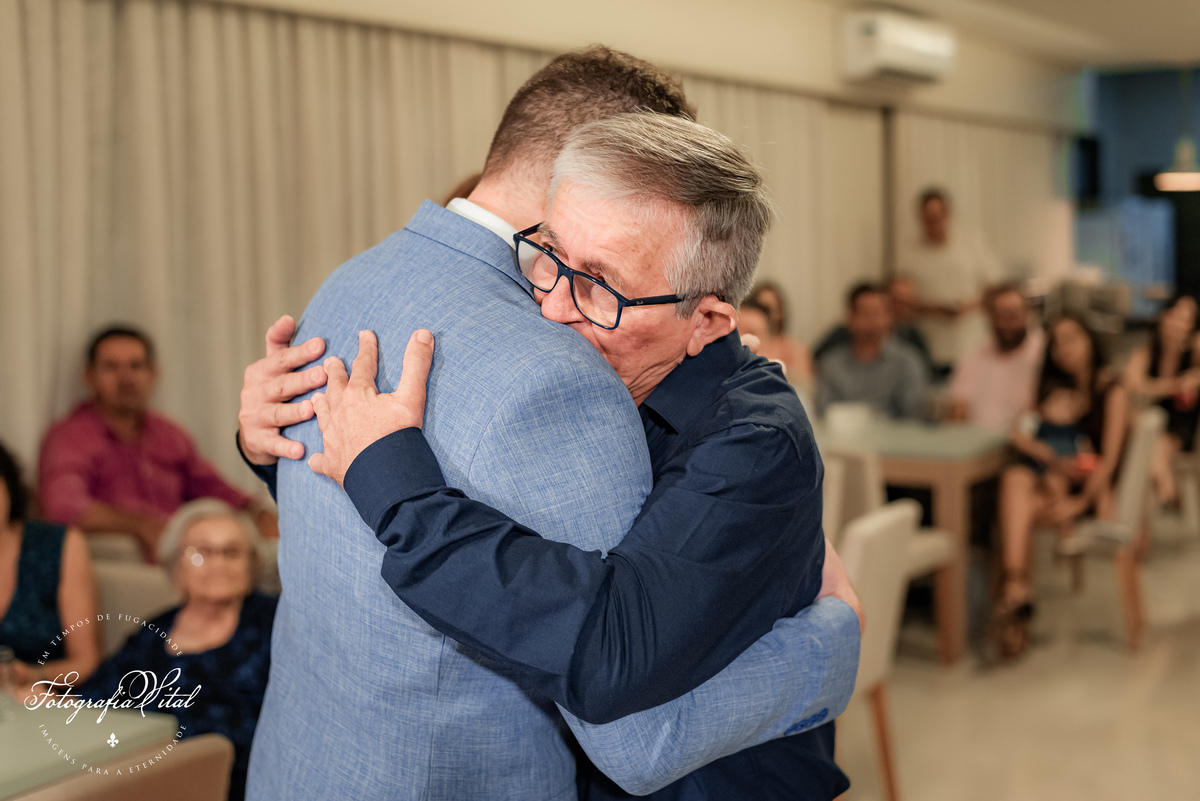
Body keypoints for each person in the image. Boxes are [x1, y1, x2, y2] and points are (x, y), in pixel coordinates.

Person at [235, 49, 860, 801]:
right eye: (553, 258)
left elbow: (616, 678)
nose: (555, 307)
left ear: (709, 318)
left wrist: (832, 648)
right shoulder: (570, 367)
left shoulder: (356, 277)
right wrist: (263, 441)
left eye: (597, 282)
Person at [79, 500, 276, 801]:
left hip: (237, 781)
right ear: (175, 565)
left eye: (231, 552)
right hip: (147, 776)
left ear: (251, 566)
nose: (217, 563)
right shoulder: (156, 629)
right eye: (202, 552)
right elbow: (103, 690)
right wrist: (49, 697)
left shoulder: (274, 624)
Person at [38, 327, 276, 562]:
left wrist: (255, 509)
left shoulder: (169, 434)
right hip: (122, 569)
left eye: (136, 366)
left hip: (182, 560)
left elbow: (210, 486)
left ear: (153, 374)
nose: (126, 378)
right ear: (89, 376)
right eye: (111, 366)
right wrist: (141, 525)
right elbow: (63, 507)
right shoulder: (70, 437)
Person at [995, 315, 1128, 659]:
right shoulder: (1052, 390)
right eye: (1056, 343)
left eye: (1072, 338)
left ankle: (1016, 608)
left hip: (1092, 489)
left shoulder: (1111, 389)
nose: (1064, 349)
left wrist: (1080, 503)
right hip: (1053, 478)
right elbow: (1022, 429)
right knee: (1015, 480)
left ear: (1090, 339)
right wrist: (1046, 453)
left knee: (1016, 511)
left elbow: (1110, 460)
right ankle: (1016, 587)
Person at [0, 441, 101, 694]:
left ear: (9, 486)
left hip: (43, 700)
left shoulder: (60, 545)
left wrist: (29, 675)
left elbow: (87, 663)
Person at [896, 188, 1003, 369]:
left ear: (947, 214)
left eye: (938, 216)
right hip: (930, 344)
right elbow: (901, 302)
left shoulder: (972, 244)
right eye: (928, 218)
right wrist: (934, 308)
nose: (934, 223)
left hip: (972, 340)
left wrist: (966, 306)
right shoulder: (907, 255)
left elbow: (995, 289)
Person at [1123, 294, 1200, 504]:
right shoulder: (1147, 351)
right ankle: (1167, 488)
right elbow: (1133, 386)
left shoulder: (1193, 351)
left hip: (1179, 426)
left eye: (1186, 320)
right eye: (1174, 316)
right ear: (1163, 316)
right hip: (1146, 424)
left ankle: (1164, 490)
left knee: (1155, 441)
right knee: (1146, 423)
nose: (1178, 324)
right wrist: (1176, 385)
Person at [816, 283, 927, 419]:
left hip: (895, 436)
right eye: (865, 313)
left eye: (878, 313)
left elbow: (912, 412)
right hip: (844, 437)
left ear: (889, 318)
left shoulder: (907, 361)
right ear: (850, 317)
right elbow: (825, 411)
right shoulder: (831, 363)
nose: (872, 321)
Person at [945, 282, 1045, 431]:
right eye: (1002, 315)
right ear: (990, 318)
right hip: (977, 442)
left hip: (1023, 442)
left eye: (1014, 315)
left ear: (1027, 314)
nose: (1009, 324)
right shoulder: (972, 358)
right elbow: (959, 409)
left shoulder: (1043, 354)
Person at [746, 281, 813, 382]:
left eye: (774, 309)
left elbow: (806, 389)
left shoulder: (797, 349)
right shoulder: (748, 347)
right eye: (764, 308)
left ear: (782, 312)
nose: (770, 315)